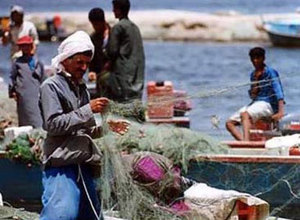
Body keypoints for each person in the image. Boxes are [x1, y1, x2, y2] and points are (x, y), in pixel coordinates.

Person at [39, 31, 129, 220]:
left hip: (81, 163)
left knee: (92, 216)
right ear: (65, 59)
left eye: (87, 63)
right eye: (79, 62)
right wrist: (88, 110)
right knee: (62, 214)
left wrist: (106, 128)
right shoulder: (51, 87)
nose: (84, 67)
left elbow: (83, 130)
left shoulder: (82, 89)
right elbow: (53, 124)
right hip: (60, 162)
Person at [226, 47, 284, 141]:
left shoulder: (270, 72)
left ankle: (246, 143)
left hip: (269, 104)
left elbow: (279, 91)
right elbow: (253, 96)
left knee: (245, 114)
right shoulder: (253, 75)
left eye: (258, 58)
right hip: (257, 102)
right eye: (253, 59)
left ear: (263, 58)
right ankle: (244, 143)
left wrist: (280, 112)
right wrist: (256, 81)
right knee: (229, 123)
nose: (255, 61)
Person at [106, 0, 145, 102]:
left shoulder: (118, 27)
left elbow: (112, 51)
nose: (113, 11)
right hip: (136, 72)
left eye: (114, 8)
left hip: (122, 73)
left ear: (119, 10)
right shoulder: (135, 27)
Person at [8, 35, 46, 128]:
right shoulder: (17, 63)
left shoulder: (38, 62)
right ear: (20, 48)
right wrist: (12, 91)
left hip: (36, 94)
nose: (25, 48)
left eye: (27, 45)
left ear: (31, 46)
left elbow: (43, 79)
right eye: (23, 46)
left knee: (38, 118)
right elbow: (12, 77)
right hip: (23, 96)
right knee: (24, 119)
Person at [87, 7, 111, 98]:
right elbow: (92, 58)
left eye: (96, 24)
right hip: (100, 81)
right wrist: (91, 71)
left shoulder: (114, 34)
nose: (94, 27)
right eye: (93, 24)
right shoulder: (93, 38)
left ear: (102, 21)